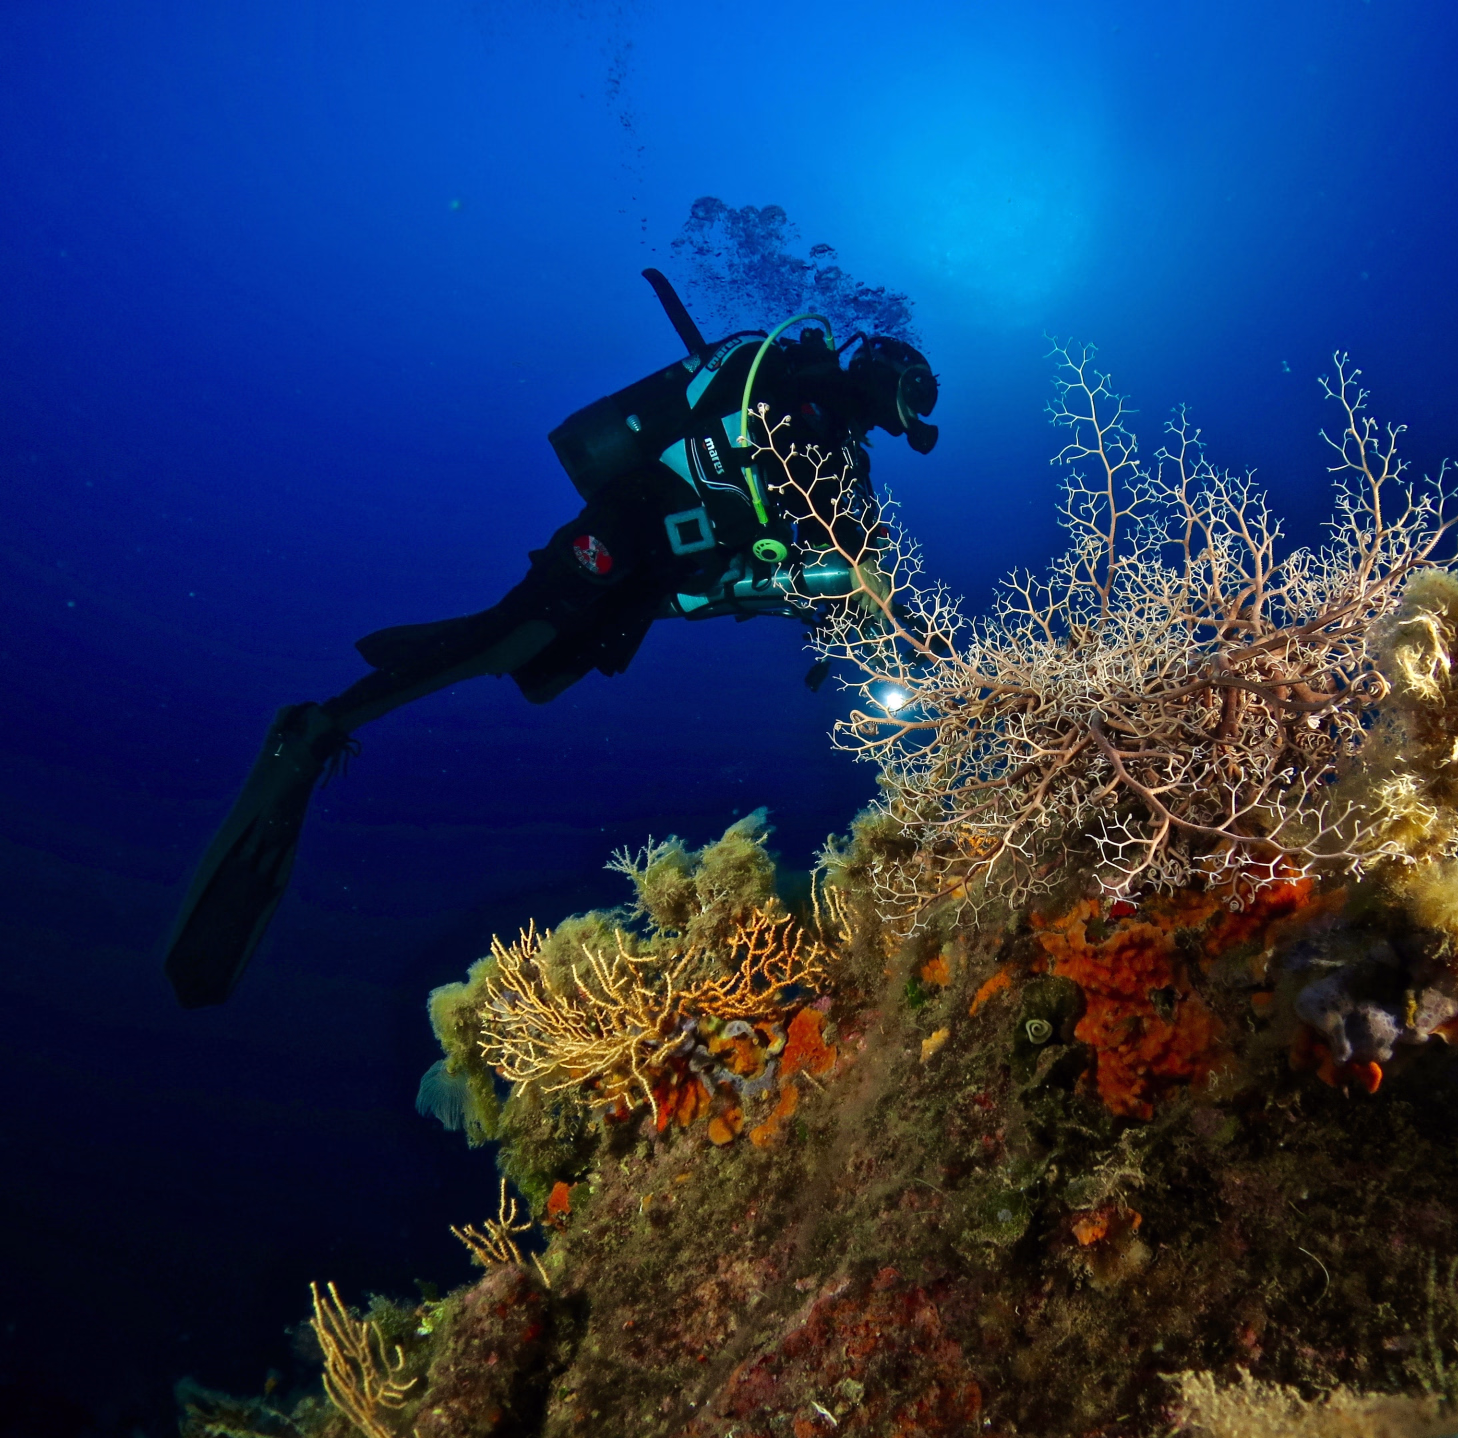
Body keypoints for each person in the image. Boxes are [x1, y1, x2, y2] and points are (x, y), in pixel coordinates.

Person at [162, 269, 938, 1008]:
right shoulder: (798, 387)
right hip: (634, 519)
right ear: (886, 376)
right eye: (915, 394)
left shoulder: (836, 447)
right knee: (518, 640)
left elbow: (850, 554)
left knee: (541, 671)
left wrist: (872, 612)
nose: (912, 416)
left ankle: (470, 639)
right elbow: (820, 512)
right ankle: (320, 724)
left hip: (664, 573)